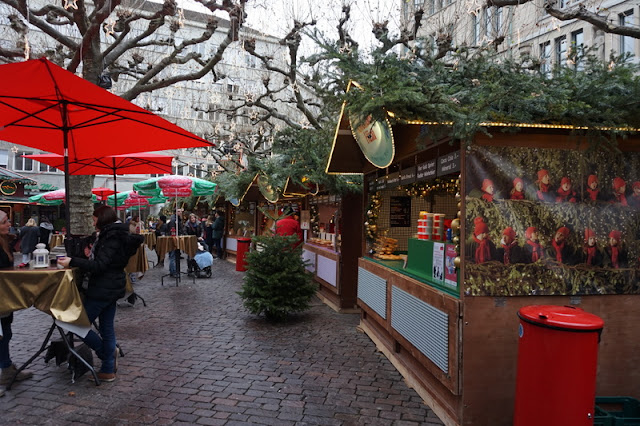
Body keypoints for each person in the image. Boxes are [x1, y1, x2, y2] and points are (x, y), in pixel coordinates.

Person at [57, 206, 143, 382]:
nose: (92, 222)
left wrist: (73, 261)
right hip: (111, 287)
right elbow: (107, 261)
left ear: (102, 219)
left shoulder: (111, 237)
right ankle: (108, 370)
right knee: (106, 328)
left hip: (103, 287)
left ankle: (106, 355)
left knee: (77, 325)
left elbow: (101, 265)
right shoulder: (115, 234)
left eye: (94, 219)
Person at [0, 210, 33, 394]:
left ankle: (7, 368)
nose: (8, 224)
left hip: (5, 295)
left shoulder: (5, 241)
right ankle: (5, 369)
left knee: (6, 332)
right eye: (5, 222)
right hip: (1, 295)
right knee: (2, 334)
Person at [167, 209, 184, 277]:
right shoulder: (174, 220)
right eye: (178, 211)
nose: (180, 212)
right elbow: (172, 230)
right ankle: (173, 271)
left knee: (174, 255)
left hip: (176, 238)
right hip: (173, 239)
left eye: (180, 211)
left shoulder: (177, 219)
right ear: (176, 212)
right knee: (173, 255)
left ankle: (173, 270)